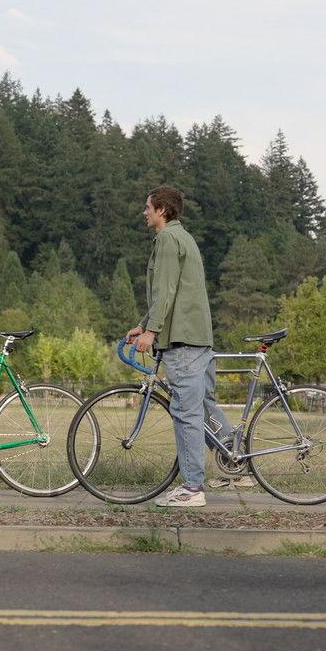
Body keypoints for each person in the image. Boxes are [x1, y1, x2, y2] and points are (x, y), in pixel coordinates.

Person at [125, 186, 237, 508]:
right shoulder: (183, 237)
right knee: (202, 406)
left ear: (161, 209)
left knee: (185, 413)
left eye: (147, 207)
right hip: (199, 337)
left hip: (183, 340)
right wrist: (145, 323)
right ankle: (235, 459)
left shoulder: (166, 240)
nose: (144, 212)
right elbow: (174, 292)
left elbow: (166, 289)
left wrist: (152, 331)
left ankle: (191, 489)